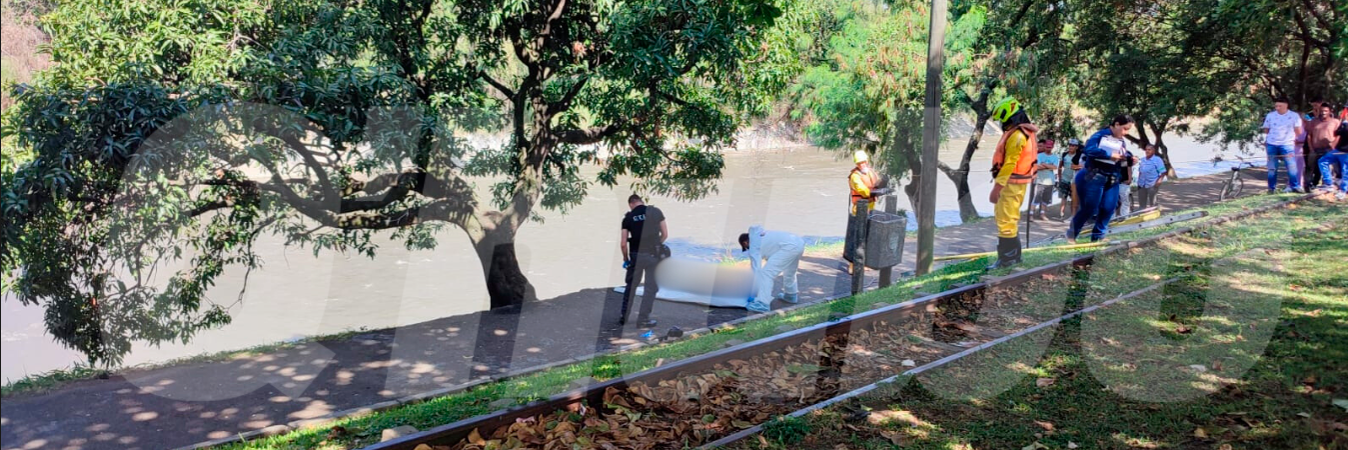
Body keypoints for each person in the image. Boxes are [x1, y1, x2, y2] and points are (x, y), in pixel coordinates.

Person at [1068, 115, 1137, 243]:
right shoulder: (1100, 135)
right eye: (1125, 129)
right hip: (1094, 176)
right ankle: (1071, 235)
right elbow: (1089, 149)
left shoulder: (1121, 140)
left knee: (1109, 208)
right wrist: (1109, 155)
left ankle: (1098, 236)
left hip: (1113, 178)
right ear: (1116, 124)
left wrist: (1129, 159)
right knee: (1090, 209)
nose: (1126, 133)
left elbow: (1122, 156)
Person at [988, 97, 1039, 268]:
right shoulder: (1023, 132)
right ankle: (1013, 257)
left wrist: (997, 187)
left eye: (1004, 120)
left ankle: (1007, 259)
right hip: (1016, 182)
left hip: (1011, 183)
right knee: (1009, 218)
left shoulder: (1017, 136)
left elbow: (1010, 163)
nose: (1003, 124)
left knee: (1005, 220)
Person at [619, 194, 667, 328]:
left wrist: (626, 258)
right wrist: (657, 246)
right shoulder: (656, 212)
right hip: (653, 255)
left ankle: (624, 317)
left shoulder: (628, 218)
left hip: (635, 255)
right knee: (650, 288)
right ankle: (643, 319)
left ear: (631, 204)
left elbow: (623, 243)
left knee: (631, 286)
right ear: (641, 201)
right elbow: (665, 234)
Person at [738, 226, 805, 313]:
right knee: (790, 271)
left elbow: (756, 270)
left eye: (746, 247)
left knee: (766, 274)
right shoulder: (762, 235)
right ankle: (790, 295)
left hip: (789, 248)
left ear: (745, 242)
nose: (748, 249)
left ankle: (762, 303)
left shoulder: (754, 245)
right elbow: (773, 252)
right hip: (798, 242)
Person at [1261, 97, 1305, 193]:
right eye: (1276, 106)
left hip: (1287, 145)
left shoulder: (1294, 116)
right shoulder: (1270, 116)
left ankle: (1295, 186)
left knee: (1291, 166)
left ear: (1286, 105)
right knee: (1272, 167)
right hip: (1272, 144)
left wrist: (1290, 138)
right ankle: (1271, 188)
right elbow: (1266, 130)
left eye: (1279, 106)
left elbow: (1299, 131)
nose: (1277, 108)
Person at [1306, 101, 1340, 190]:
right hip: (1315, 148)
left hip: (1329, 149)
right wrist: (1311, 148)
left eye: (1325, 111)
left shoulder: (1335, 122)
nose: (1323, 112)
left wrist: (1334, 145)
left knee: (1331, 167)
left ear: (1330, 111)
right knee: (1311, 167)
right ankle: (1309, 184)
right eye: (1321, 110)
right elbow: (1309, 135)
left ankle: (1329, 184)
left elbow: (1339, 135)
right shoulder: (1314, 121)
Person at [1318, 104, 1348, 200]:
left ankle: (1343, 191)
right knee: (1322, 161)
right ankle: (1329, 183)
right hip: (1338, 150)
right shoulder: (1344, 123)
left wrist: (1345, 124)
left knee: (1345, 171)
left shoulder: (1345, 123)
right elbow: (1337, 133)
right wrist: (1343, 123)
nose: (1345, 111)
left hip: (1346, 153)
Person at [1031, 138, 1060, 221]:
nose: (1048, 148)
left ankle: (1042, 214)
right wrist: (1048, 166)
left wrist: (1044, 165)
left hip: (1050, 181)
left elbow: (1055, 167)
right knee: (1036, 198)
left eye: (1050, 147)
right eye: (1047, 147)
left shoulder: (1055, 157)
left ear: (1052, 147)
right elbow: (1037, 167)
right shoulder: (1039, 155)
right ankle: (1031, 214)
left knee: (1045, 199)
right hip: (1040, 180)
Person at [1135, 144, 1168, 210]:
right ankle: (1142, 215)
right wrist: (1138, 181)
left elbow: (1163, 172)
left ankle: (1154, 215)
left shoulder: (1157, 160)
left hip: (1152, 184)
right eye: (1146, 150)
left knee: (1153, 203)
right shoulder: (1143, 160)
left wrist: (1159, 181)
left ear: (1153, 151)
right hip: (1142, 184)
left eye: (1149, 150)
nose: (1147, 151)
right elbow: (1141, 171)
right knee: (1141, 204)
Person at [1058, 138, 1084, 218]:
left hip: (1074, 179)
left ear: (1076, 147)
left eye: (1073, 146)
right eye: (1070, 145)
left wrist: (1077, 167)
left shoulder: (1079, 156)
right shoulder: (1064, 154)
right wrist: (1059, 177)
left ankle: (1072, 215)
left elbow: (1081, 166)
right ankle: (1061, 213)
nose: (1071, 147)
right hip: (1065, 178)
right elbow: (1060, 166)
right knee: (1063, 197)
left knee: (1074, 198)